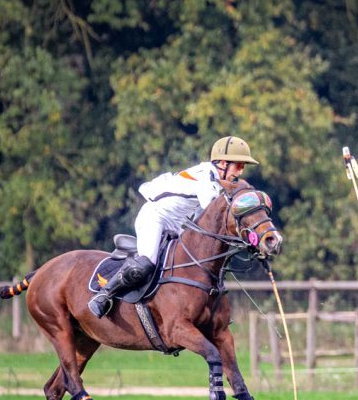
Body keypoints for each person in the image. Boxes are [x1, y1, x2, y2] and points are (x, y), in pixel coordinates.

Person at [88, 136, 259, 318]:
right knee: (147, 262)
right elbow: (213, 214)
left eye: (243, 167)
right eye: (239, 166)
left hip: (176, 225)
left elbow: (203, 221)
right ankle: (104, 295)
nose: (240, 172)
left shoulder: (215, 182)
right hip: (155, 218)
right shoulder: (206, 177)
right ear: (223, 163)